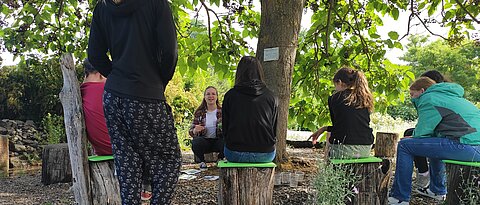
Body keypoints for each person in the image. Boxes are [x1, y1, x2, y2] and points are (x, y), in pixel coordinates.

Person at [87, 0, 180, 204]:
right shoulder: (157, 4)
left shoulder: (102, 8)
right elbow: (170, 52)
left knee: (127, 160)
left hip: (112, 97)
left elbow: (94, 54)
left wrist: (117, 77)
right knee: (169, 160)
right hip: (146, 94)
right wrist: (158, 81)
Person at [388, 77, 480, 205]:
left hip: (467, 145)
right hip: (473, 145)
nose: (412, 98)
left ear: (422, 90)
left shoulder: (429, 98)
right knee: (435, 143)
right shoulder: (450, 96)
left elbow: (424, 130)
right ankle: (437, 191)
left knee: (404, 145)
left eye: (412, 94)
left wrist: (415, 136)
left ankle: (399, 197)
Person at [81, 59, 153, 202]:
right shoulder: (109, 89)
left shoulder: (81, 91)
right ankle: (146, 181)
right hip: (119, 146)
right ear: (102, 73)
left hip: (101, 148)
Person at [222, 56, 278, 163]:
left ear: (239, 73)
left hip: (234, 153)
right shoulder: (271, 96)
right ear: (260, 72)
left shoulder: (230, 95)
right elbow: (274, 128)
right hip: (265, 154)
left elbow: (225, 127)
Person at [310, 67, 374, 159]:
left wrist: (325, 129)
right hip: (366, 148)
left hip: (343, 148)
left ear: (339, 82)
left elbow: (338, 127)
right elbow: (351, 125)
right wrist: (324, 128)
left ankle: (327, 166)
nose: (335, 88)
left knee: (331, 139)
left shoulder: (334, 98)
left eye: (335, 85)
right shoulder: (364, 98)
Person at [403, 70, 449, 189]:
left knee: (410, 140)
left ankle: (423, 175)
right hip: (446, 133)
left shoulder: (433, 97)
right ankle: (425, 174)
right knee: (411, 133)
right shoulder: (443, 93)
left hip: (447, 136)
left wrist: (413, 137)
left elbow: (426, 129)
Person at [189, 86, 224, 170]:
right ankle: (202, 161)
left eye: (213, 94)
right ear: (204, 97)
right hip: (205, 141)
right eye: (208, 94)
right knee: (196, 142)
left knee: (228, 141)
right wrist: (194, 130)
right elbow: (190, 131)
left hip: (219, 140)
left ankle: (220, 158)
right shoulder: (199, 112)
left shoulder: (223, 111)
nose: (210, 96)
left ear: (216, 97)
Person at [81, 58, 111, 156]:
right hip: (120, 149)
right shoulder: (107, 90)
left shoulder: (80, 92)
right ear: (101, 74)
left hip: (102, 151)